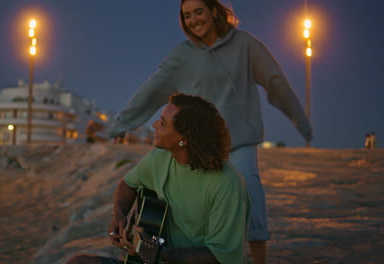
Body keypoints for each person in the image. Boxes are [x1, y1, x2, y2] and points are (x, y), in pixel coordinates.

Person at [107, 1, 313, 263]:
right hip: (188, 141)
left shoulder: (245, 45)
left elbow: (274, 79)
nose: (193, 19)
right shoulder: (182, 55)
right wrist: (122, 123)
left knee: (251, 206)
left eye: (198, 11)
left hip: (238, 142)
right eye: (186, 15)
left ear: (214, 11)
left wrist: (300, 120)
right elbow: (154, 88)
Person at [67, 93, 250, 263]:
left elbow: (221, 256)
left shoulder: (226, 183)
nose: (154, 125)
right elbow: (127, 184)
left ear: (184, 139)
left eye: (163, 123)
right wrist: (119, 215)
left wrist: (158, 252)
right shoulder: (159, 159)